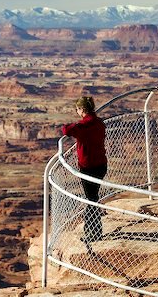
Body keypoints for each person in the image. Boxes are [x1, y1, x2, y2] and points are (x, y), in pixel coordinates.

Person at [62, 96, 107, 244]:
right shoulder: (99, 122)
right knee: (93, 197)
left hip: (89, 168)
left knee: (91, 199)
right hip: (101, 165)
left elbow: (66, 130)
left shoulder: (84, 126)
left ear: (82, 110)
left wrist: (75, 123)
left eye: (77, 109)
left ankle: (93, 232)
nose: (77, 111)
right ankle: (94, 230)